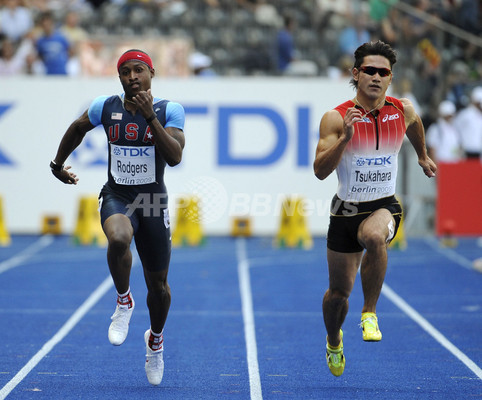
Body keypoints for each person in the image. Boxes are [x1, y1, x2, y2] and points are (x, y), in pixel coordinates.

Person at [50, 49, 186, 385]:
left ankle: (155, 341)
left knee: (159, 288)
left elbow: (175, 157)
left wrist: (149, 117)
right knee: (119, 238)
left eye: (138, 70)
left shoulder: (169, 110)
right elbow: (77, 128)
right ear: (119, 77)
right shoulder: (105, 107)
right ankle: (124, 301)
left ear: (152, 73)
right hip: (118, 195)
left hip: (152, 201)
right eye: (125, 72)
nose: (132, 77)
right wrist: (57, 165)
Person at [313, 40, 436, 377]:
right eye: (370, 70)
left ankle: (369, 313)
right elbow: (320, 171)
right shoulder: (336, 117)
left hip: (384, 205)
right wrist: (345, 137)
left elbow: (415, 125)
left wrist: (422, 155)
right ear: (356, 74)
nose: (377, 77)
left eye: (384, 72)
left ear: (390, 77)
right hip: (345, 210)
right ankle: (334, 339)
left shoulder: (403, 109)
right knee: (338, 295)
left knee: (374, 237)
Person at [454, 86, 482, 160]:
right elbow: (455, 128)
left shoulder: (479, 115)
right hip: (467, 149)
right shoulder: (465, 114)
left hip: (479, 150)